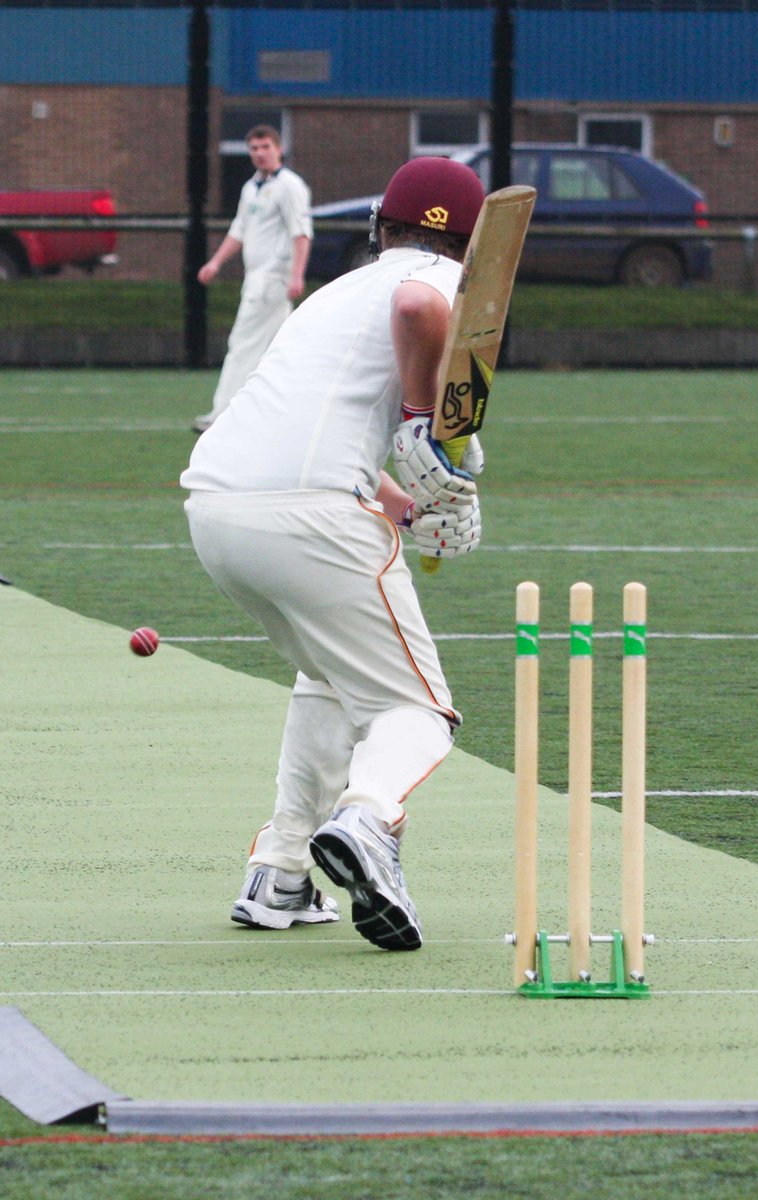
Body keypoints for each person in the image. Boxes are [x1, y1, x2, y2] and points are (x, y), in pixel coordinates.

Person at [180, 156, 486, 951]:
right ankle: (368, 819)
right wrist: (423, 421)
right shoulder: (439, 281)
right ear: (471, 244)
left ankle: (281, 870)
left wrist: (413, 508)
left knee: (327, 673)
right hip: (312, 518)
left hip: (217, 511)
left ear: (380, 225)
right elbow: (421, 305)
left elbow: (321, 433)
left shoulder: (333, 295)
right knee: (417, 713)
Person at [191, 124, 313, 434]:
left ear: (278, 149)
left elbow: (301, 232)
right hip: (255, 277)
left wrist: (296, 275)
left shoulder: (290, 186)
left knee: (243, 343)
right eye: (254, 149)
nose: (259, 154)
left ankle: (222, 414)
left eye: (265, 147)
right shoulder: (250, 188)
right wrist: (216, 263)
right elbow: (239, 230)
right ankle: (291, 411)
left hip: (272, 279)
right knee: (279, 350)